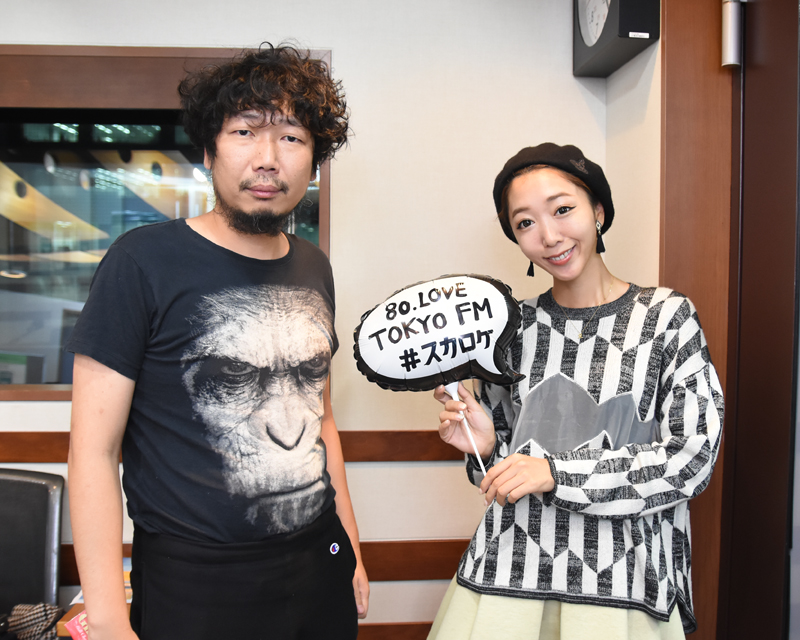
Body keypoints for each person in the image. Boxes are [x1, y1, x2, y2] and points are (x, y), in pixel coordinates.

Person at [66, 43, 369, 640]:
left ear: (313, 161)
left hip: (319, 560)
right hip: (194, 582)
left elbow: (321, 418)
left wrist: (351, 546)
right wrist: (106, 619)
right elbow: (93, 452)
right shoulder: (141, 261)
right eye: (245, 132)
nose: (267, 159)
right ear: (209, 152)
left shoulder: (314, 266)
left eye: (291, 138)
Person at [429, 143, 723, 640]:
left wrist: (556, 473)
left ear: (598, 211)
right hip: (510, 573)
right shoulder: (510, 330)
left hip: (622, 582)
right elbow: (505, 473)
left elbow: (690, 458)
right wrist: (486, 448)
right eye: (525, 223)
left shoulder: (666, 318)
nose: (549, 236)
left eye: (563, 209)